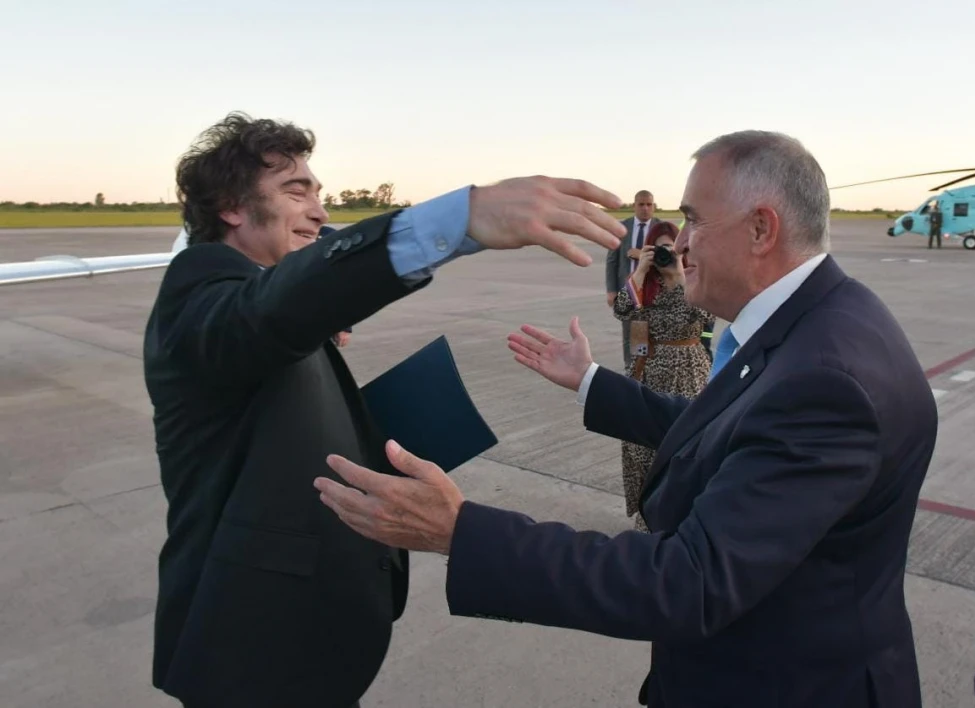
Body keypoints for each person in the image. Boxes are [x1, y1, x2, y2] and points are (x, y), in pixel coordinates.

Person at [315, 130, 938, 707]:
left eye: (693, 219)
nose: (680, 242)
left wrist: (462, 531)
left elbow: (689, 582)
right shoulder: (818, 319)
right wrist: (590, 382)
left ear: (760, 229)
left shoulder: (825, 379)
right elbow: (727, 431)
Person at [142, 111, 624, 708]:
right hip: (255, 656)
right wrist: (460, 219)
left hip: (299, 645)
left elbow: (280, 336)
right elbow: (269, 313)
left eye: (318, 191)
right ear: (230, 206)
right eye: (296, 190)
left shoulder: (256, 303)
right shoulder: (200, 293)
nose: (321, 210)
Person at [612, 220, 714, 531]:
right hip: (648, 371)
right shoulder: (644, 285)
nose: (665, 255)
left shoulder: (696, 278)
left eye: (671, 249)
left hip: (688, 371)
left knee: (688, 445)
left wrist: (681, 274)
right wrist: (640, 271)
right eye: (660, 250)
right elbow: (621, 310)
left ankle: (686, 517)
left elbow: (705, 314)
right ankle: (648, 517)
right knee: (643, 448)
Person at [606, 190, 660, 367]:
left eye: (649, 204)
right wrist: (612, 289)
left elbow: (672, 259)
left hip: (653, 291)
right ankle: (632, 371)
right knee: (631, 333)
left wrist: (641, 255)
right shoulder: (623, 228)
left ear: (653, 206)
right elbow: (612, 261)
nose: (645, 208)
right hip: (629, 290)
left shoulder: (661, 228)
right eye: (641, 204)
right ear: (634, 205)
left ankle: (648, 371)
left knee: (651, 333)